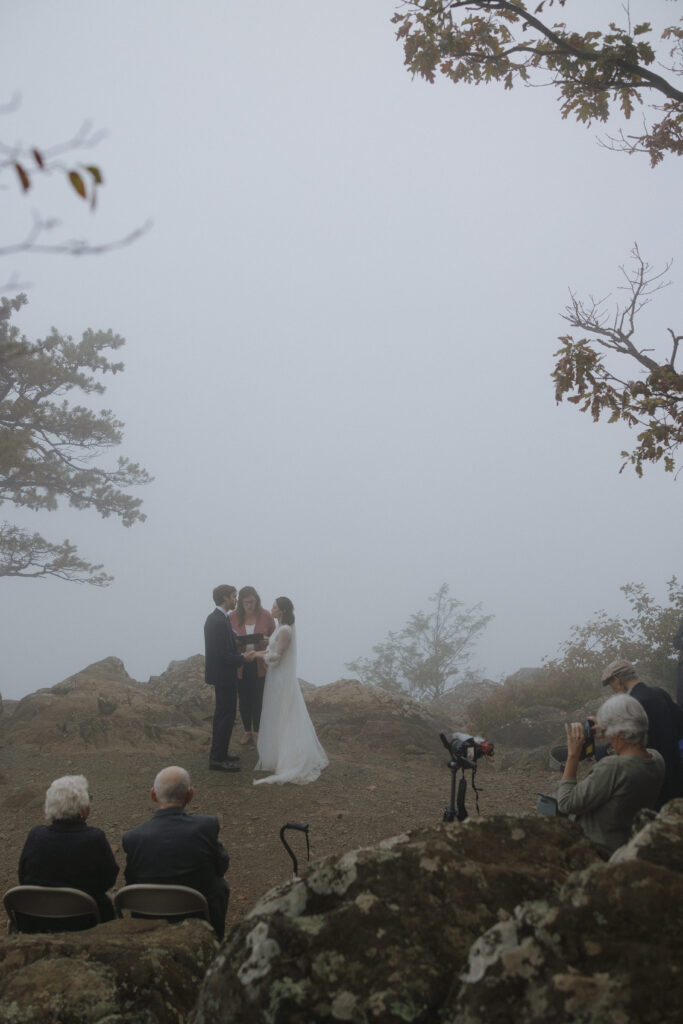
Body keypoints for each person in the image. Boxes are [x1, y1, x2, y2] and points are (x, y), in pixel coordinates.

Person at [122, 765, 230, 940]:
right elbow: (222, 865)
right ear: (190, 795)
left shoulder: (133, 838)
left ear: (153, 795)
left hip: (149, 918)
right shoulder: (206, 827)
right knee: (220, 885)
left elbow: (131, 880)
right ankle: (215, 940)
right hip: (199, 916)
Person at [556, 694, 665, 854]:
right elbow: (630, 751)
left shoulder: (613, 767)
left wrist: (572, 755)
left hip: (598, 851)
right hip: (627, 843)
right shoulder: (656, 759)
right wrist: (608, 729)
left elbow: (566, 803)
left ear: (620, 733)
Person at [18, 774, 118, 927]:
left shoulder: (35, 835)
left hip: (37, 921)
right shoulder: (94, 838)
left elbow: (23, 877)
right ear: (83, 809)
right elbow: (108, 880)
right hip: (84, 921)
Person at [253, 596, 328, 785]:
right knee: (279, 715)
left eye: (275, 607)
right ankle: (278, 754)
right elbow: (274, 647)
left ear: (283, 611)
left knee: (285, 715)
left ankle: (289, 758)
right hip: (275, 678)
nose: (271, 609)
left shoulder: (285, 630)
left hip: (280, 679)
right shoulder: (281, 628)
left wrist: (258, 656)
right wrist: (262, 648)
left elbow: (277, 656)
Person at [601, 658, 683, 808]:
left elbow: (626, 745)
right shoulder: (660, 693)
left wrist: (598, 751)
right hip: (676, 773)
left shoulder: (631, 705)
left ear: (617, 680)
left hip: (652, 781)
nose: (612, 688)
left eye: (610, 683)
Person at [204, 583, 256, 773]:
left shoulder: (220, 618)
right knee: (224, 716)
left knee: (225, 715)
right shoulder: (217, 621)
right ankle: (217, 759)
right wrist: (243, 658)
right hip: (223, 675)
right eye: (234, 596)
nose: (236, 600)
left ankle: (221, 753)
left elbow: (226, 647)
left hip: (225, 675)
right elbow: (221, 655)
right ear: (225, 598)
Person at [229, 586, 276, 747]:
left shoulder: (266, 616)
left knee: (258, 698)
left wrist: (266, 639)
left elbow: (275, 638)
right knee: (244, 699)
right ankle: (247, 730)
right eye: (247, 602)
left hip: (260, 663)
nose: (250, 605)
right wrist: (236, 642)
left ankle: (257, 731)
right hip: (241, 664)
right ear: (241, 602)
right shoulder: (232, 617)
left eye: (253, 602)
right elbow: (227, 639)